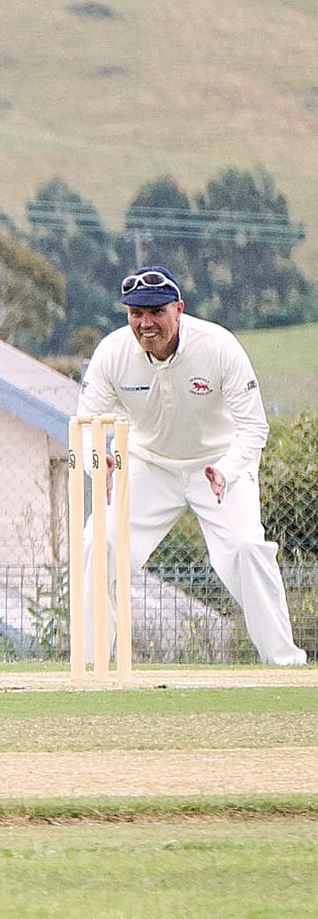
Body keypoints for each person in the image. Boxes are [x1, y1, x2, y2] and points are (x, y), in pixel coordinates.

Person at [77, 265, 308, 666]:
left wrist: (229, 470)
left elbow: (254, 427)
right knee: (99, 541)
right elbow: (84, 426)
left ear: (179, 309)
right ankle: (91, 664)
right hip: (149, 466)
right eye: (136, 314)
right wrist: (100, 463)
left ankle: (284, 665)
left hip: (217, 466)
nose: (146, 323)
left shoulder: (218, 347)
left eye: (156, 312)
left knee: (247, 549)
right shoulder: (113, 353)